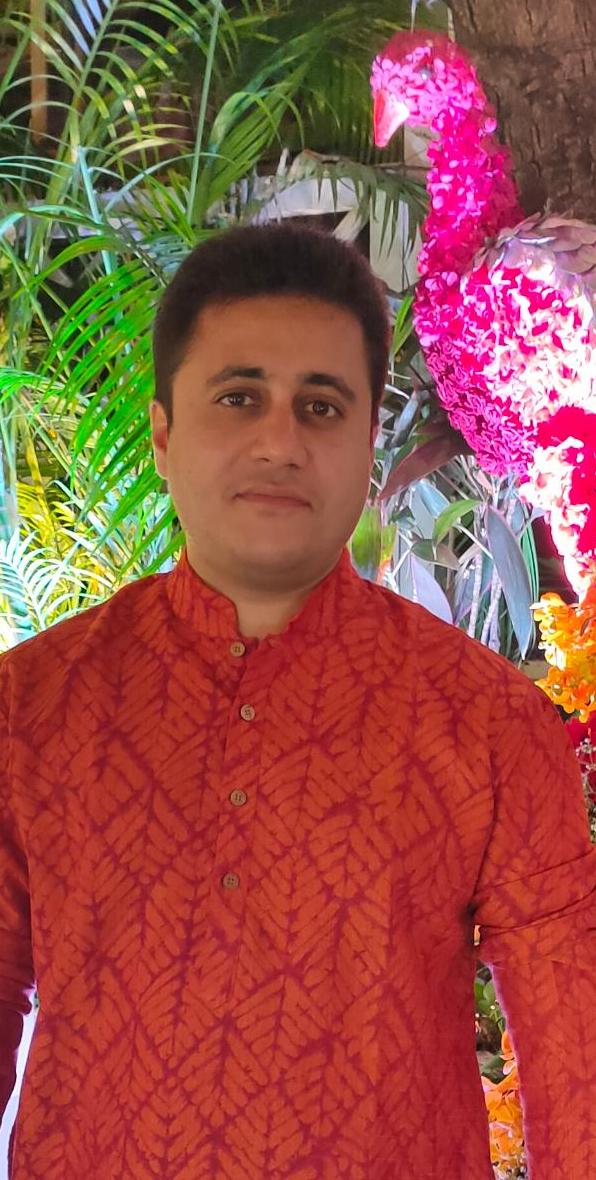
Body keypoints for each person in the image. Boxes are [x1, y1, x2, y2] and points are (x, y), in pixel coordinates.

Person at [0, 222, 594, 1180]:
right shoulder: (32, 706)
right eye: (239, 398)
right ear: (163, 434)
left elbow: (577, 1060)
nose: (279, 441)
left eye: (321, 407)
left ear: (368, 443)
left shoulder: (488, 723)